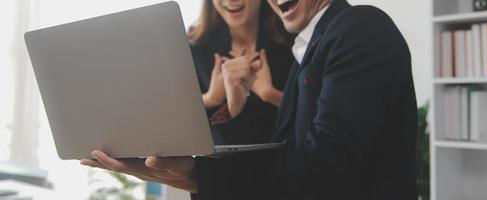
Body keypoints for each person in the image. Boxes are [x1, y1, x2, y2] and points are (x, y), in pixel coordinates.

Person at [81, 0, 419, 199]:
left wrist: (193, 172)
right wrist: (170, 173)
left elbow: (322, 168)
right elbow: (284, 159)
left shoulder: (359, 27)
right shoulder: (313, 47)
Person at [190, 0, 293, 145]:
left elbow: (316, 113)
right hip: (220, 163)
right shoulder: (196, 46)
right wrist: (210, 98)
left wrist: (269, 94)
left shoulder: (293, 38)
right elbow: (176, 120)